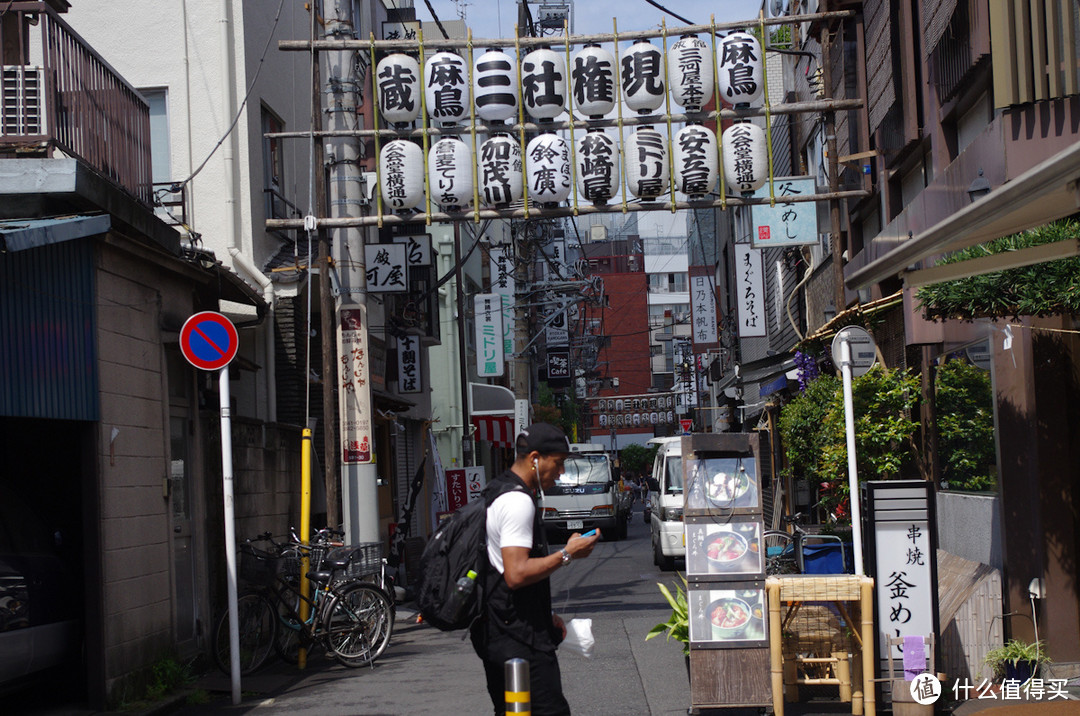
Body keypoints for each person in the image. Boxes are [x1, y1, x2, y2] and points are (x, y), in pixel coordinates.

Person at [470, 423, 600, 716]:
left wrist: (543, 612)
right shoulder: (518, 502)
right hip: (519, 640)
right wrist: (567, 554)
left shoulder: (496, 490)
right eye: (559, 463)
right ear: (535, 458)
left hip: (499, 629)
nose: (562, 472)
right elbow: (516, 573)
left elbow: (499, 567)